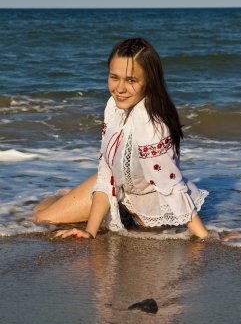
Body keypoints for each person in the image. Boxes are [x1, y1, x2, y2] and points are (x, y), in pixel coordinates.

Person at [34, 37, 210, 240]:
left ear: (149, 81)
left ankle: (63, 197)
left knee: (41, 218)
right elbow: (106, 172)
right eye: (114, 77)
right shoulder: (113, 107)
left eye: (131, 80)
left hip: (149, 215)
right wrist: (89, 232)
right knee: (39, 218)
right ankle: (60, 197)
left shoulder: (150, 124)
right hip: (120, 198)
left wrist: (205, 238)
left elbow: (170, 186)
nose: (120, 88)